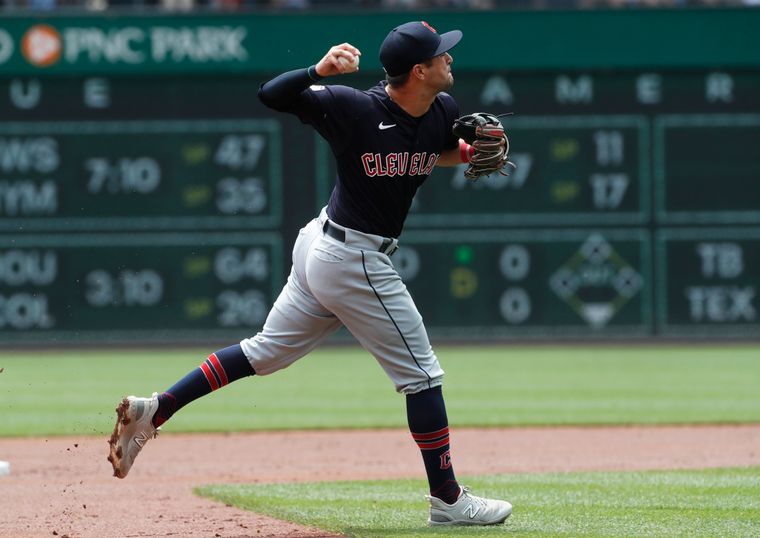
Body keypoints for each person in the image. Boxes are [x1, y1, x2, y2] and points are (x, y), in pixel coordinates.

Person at [108, 20, 512, 527]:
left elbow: (435, 151)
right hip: (350, 256)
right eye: (441, 54)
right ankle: (449, 502)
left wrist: (472, 153)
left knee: (265, 352)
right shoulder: (356, 109)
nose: (450, 59)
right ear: (419, 69)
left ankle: (158, 409)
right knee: (422, 375)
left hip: (327, 249)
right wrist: (318, 70)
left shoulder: (442, 112)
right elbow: (272, 94)